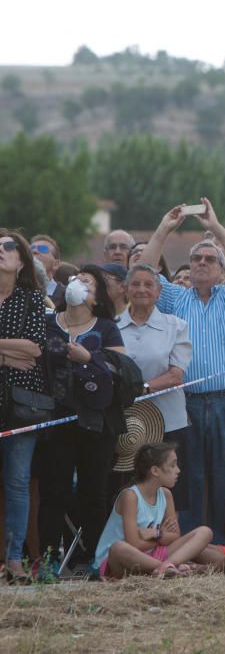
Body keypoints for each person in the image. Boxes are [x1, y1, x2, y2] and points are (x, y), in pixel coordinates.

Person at [138, 199, 225, 542]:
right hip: (183, 402)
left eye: (210, 259)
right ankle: (188, 545)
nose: (202, 263)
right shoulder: (174, 298)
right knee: (185, 476)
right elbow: (144, 273)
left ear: (221, 269)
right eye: (196, 259)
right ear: (188, 266)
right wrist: (164, 228)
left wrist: (214, 227)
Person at [38, 265, 127, 572]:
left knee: (93, 493)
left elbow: (121, 369)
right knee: (53, 492)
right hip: (55, 421)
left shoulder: (106, 327)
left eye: (88, 282)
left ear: (97, 296)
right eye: (77, 279)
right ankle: (48, 561)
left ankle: (97, 560)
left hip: (96, 424)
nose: (79, 284)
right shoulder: (49, 323)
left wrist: (91, 359)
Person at [0, 229, 48, 583]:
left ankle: (14, 558)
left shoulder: (32, 298)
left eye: (7, 247)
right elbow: (18, 350)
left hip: (21, 405)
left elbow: (33, 350)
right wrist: (6, 353)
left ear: (21, 261)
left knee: (17, 484)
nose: (0, 252)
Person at [95, 443, 214, 579]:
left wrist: (156, 533)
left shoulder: (166, 494)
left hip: (152, 555)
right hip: (121, 561)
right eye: (173, 465)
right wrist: (161, 537)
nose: (178, 470)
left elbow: (175, 536)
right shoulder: (130, 496)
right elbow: (134, 544)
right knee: (118, 548)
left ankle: (166, 567)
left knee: (205, 532)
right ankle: (167, 568)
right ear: (155, 471)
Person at [117, 264, 191, 439]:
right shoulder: (111, 326)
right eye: (135, 284)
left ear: (159, 291)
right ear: (125, 290)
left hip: (167, 420)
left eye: (148, 285)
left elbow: (175, 375)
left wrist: (140, 390)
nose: (141, 290)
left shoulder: (177, 326)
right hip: (122, 420)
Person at [29, 234, 65, 307]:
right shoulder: (16, 292)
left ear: (56, 264)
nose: (34, 251)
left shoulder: (65, 296)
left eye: (43, 249)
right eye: (31, 249)